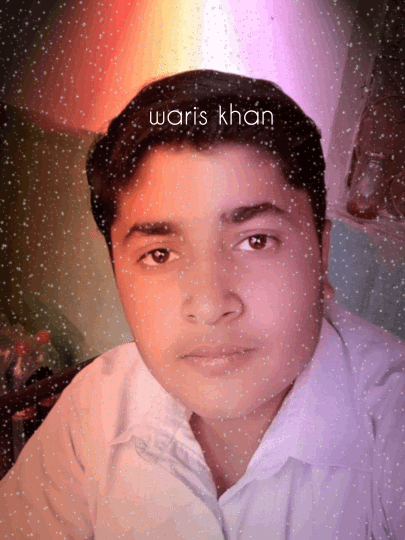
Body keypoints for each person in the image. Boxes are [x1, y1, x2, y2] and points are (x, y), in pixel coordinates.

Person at [0, 69, 404, 540]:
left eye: (256, 241)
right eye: (160, 254)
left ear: (322, 254)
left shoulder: (391, 426)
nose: (211, 305)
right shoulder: (97, 404)